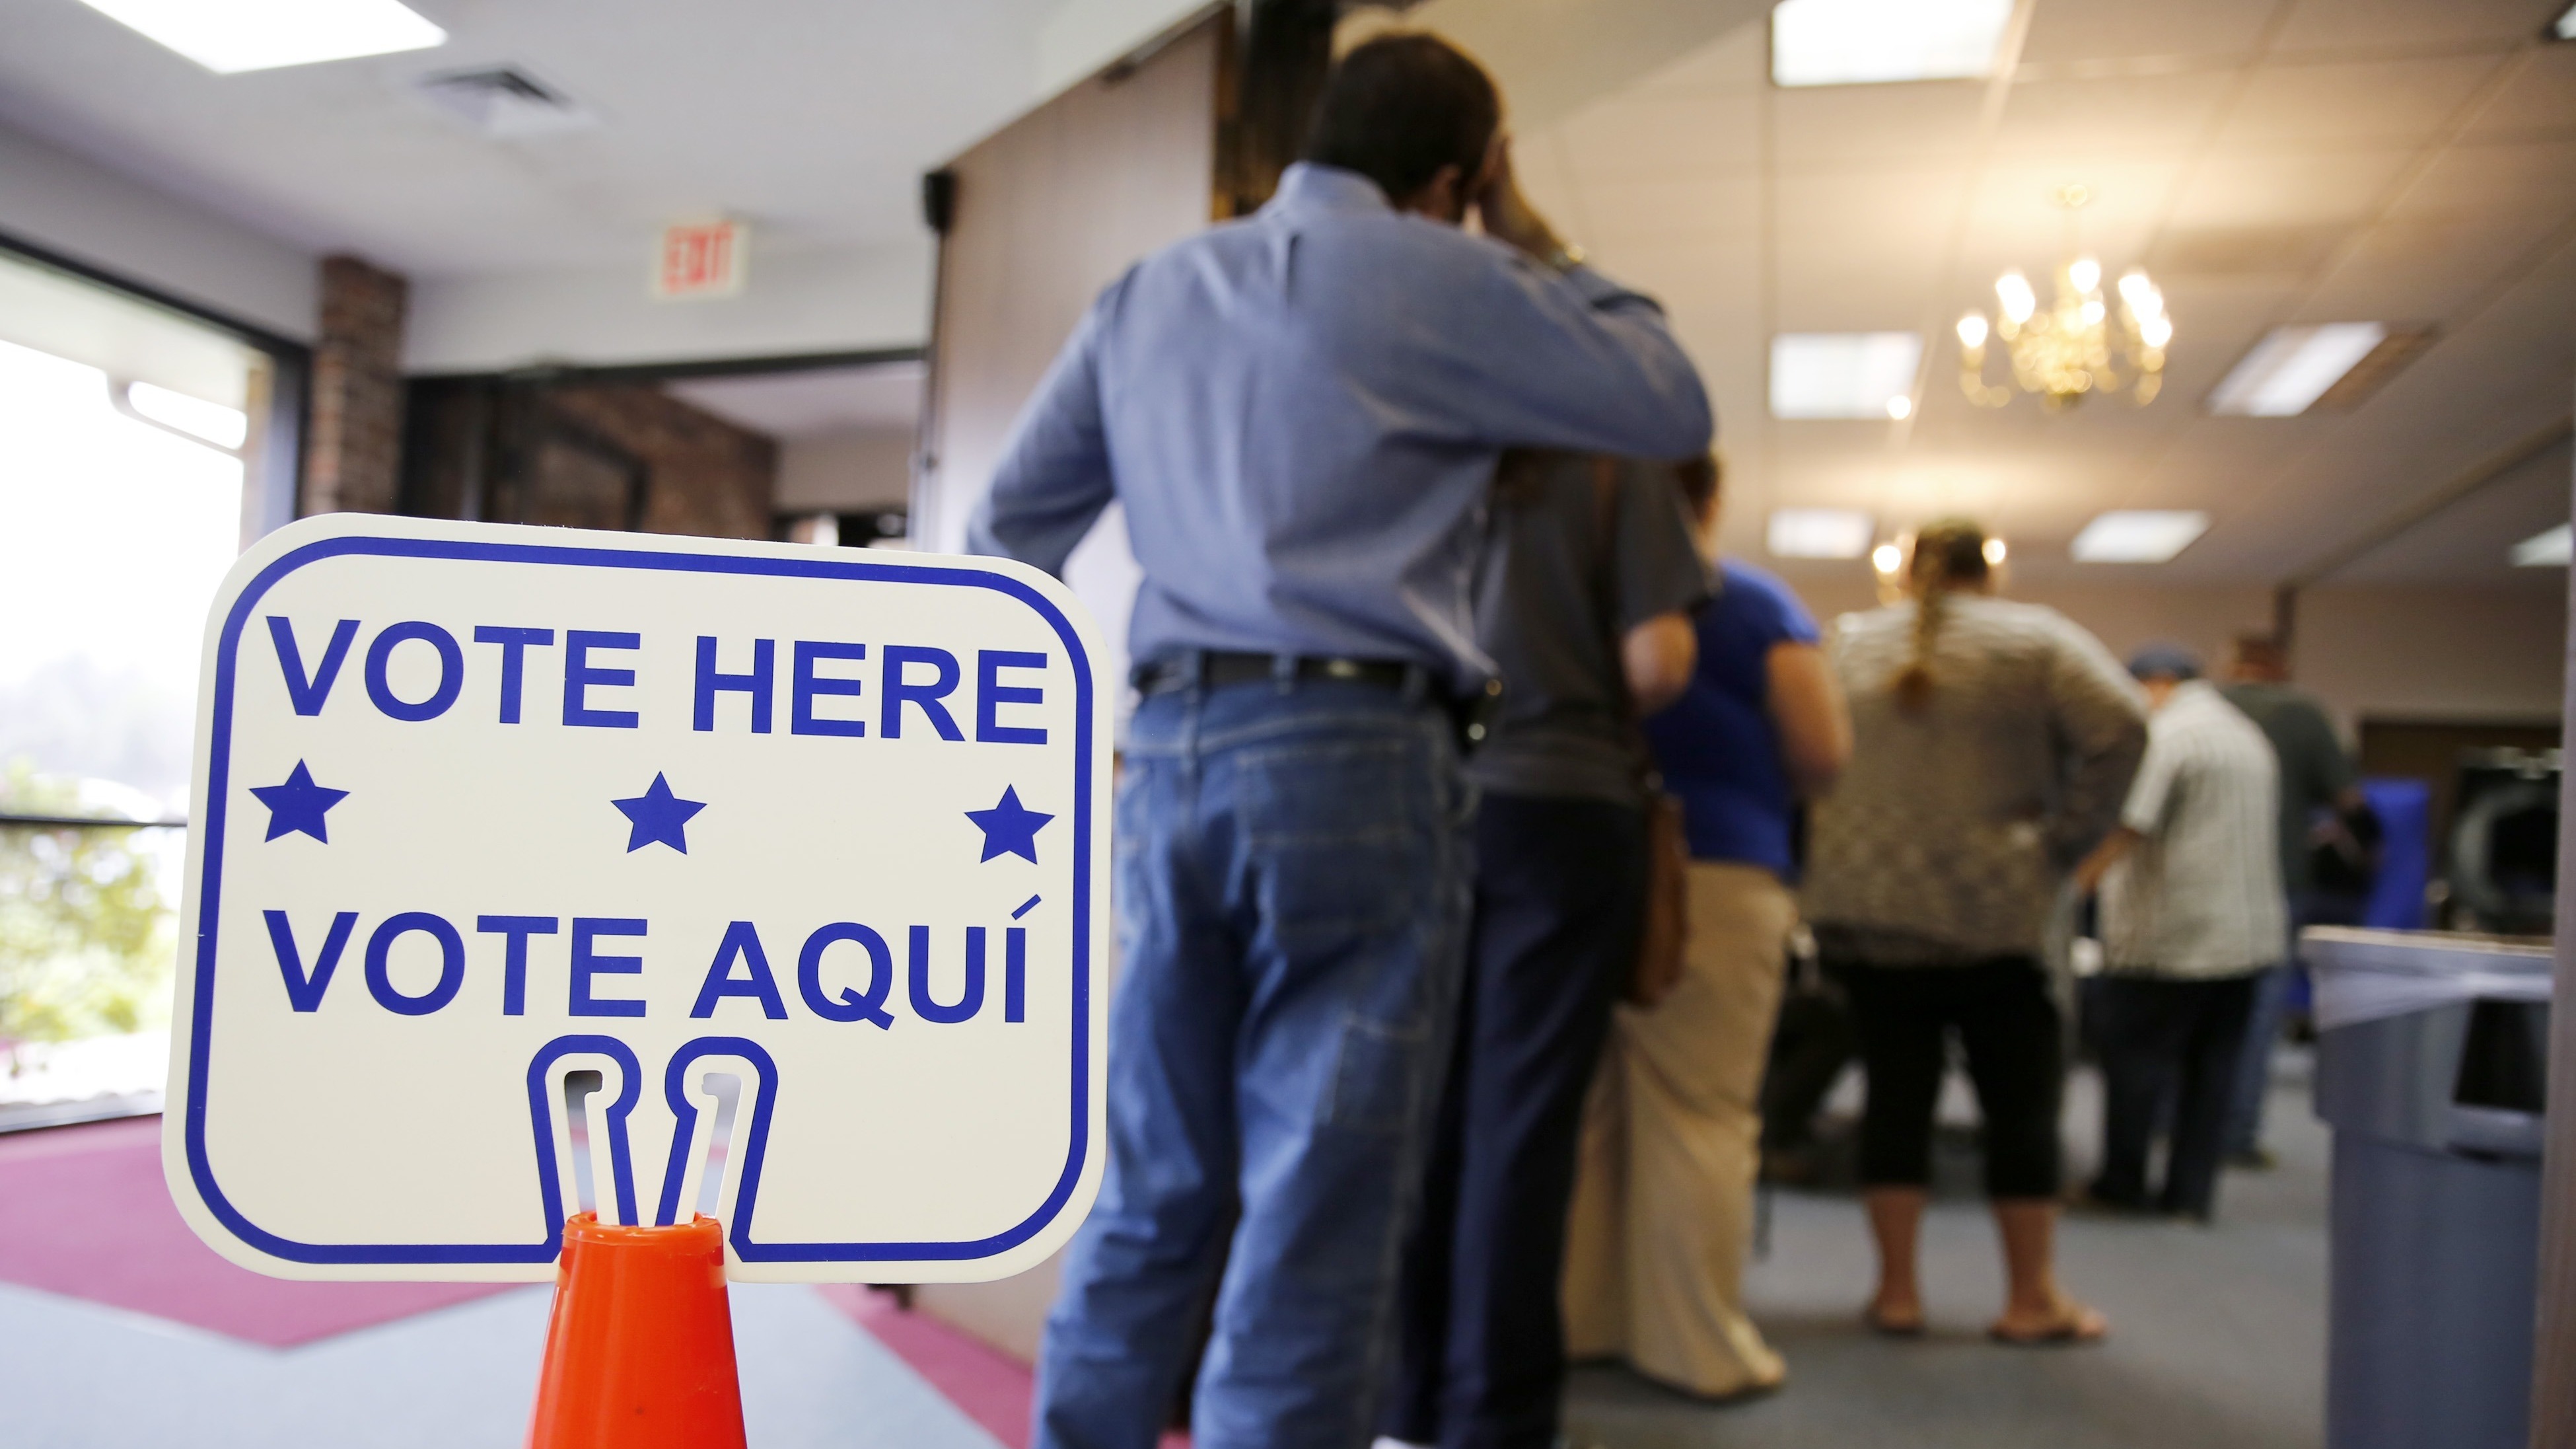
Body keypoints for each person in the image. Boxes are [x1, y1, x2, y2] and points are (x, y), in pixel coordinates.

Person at [967, 33, 1712, 1449]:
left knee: (1153, 1177)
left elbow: (1004, 535)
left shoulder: (1150, 288)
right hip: (1358, 754)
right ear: (1458, 177)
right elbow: (1666, 394)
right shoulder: (1456, 273)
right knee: (1321, 1194)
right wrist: (1526, 232)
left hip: (1168, 748)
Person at [1382, 450, 1707, 1449]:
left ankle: (1401, 1412)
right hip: (1564, 805)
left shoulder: (1410, 444)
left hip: (1417, 799)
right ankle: (1495, 1423)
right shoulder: (1613, 462)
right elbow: (1660, 659)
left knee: (1416, 1122)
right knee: (1519, 1133)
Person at [1800, 518, 2145, 1345]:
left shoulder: (1846, 643)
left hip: (1871, 911)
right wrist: (2064, 840)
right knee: (2022, 1107)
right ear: (1987, 571)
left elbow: (1802, 749)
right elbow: (2124, 726)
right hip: (1996, 913)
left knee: (1894, 1100)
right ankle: (2031, 1301)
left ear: (1907, 572)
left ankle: (1896, 1294)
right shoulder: (2036, 641)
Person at [1561, 454, 1851, 1400]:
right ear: (1711, 497)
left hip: (1580, 863)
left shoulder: (1569, 595)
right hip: (1716, 871)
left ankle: (1584, 1321)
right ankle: (1694, 1344)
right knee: (1701, 1108)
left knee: (1591, 1107)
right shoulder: (1751, 602)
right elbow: (1821, 753)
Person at [2075, 644, 2286, 1222]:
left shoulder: (2167, 736)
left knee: (2136, 1062)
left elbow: (2127, 826)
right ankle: (2190, 1196)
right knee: (2212, 1071)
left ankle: (2122, 1183)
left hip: (2172, 937)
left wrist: (2070, 891)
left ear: (2159, 683)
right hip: (2248, 938)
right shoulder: (2245, 737)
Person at [2216, 633, 2361, 1168]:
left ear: (2230, 663)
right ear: (2282, 666)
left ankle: (2174, 1127)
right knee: (2256, 1011)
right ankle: (2236, 1135)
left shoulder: (2205, 707)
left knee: (2184, 1009)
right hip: (2276, 883)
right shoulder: (2304, 714)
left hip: (2200, 884)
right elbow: (2350, 800)